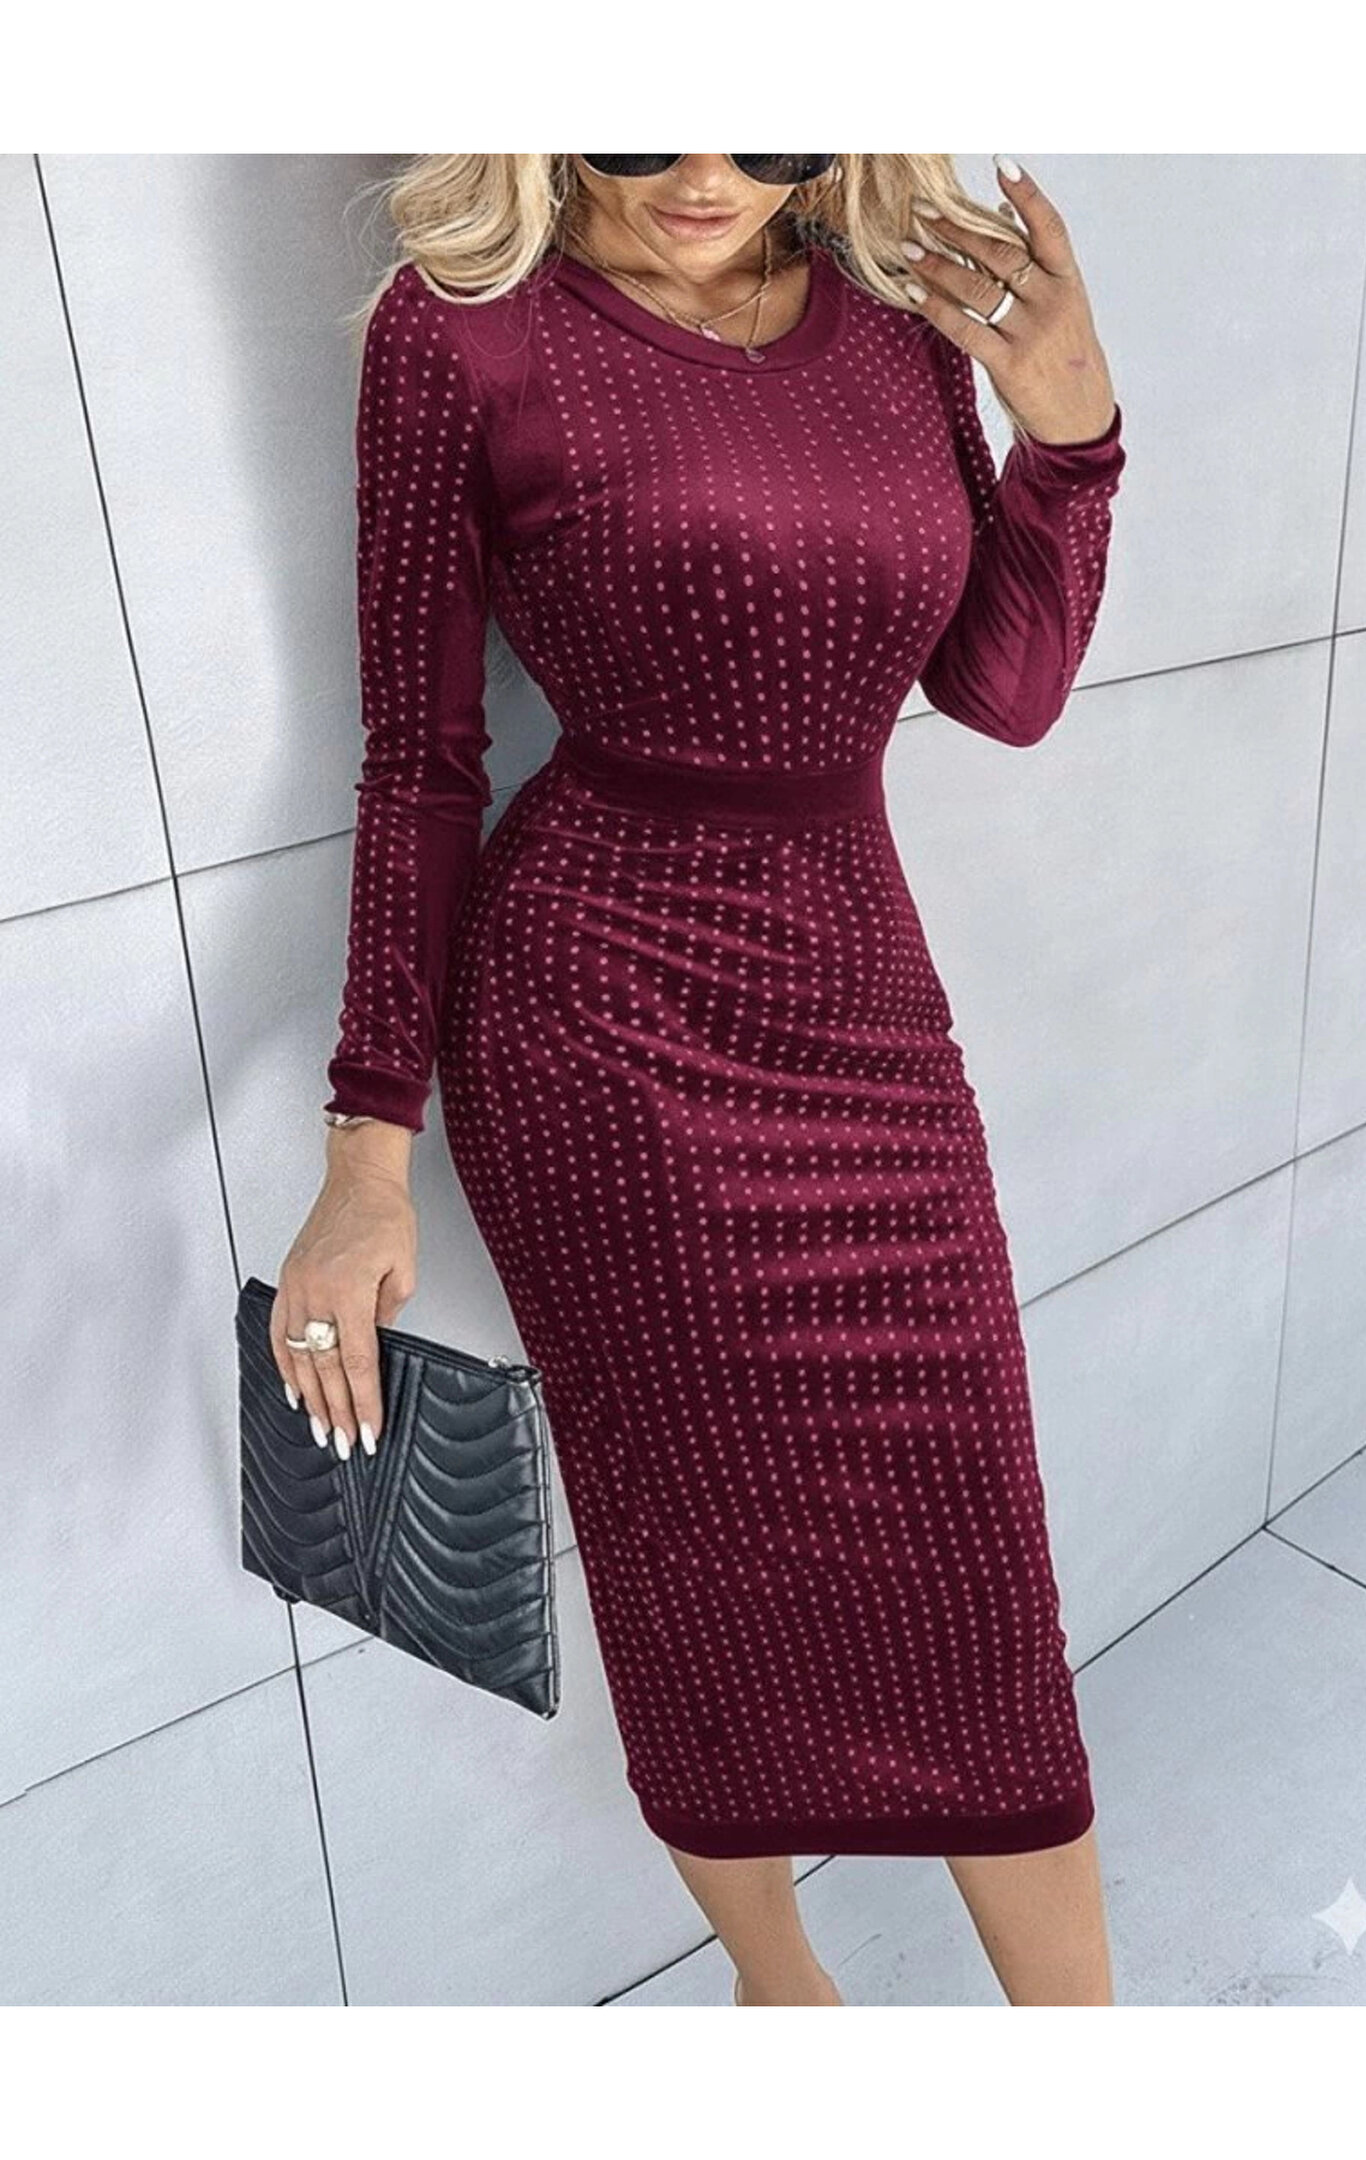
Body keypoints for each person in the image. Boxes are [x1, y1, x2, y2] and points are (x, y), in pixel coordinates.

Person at [273, 153, 1127, 2007]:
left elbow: (1003, 692)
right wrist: (365, 1151)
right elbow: (420, 759)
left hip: (862, 999)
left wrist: (1071, 439)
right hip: (600, 1032)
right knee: (690, 1544)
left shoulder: (896, 321)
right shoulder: (463, 332)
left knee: (968, 1551)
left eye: (772, 124)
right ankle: (781, 1988)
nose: (707, 174)